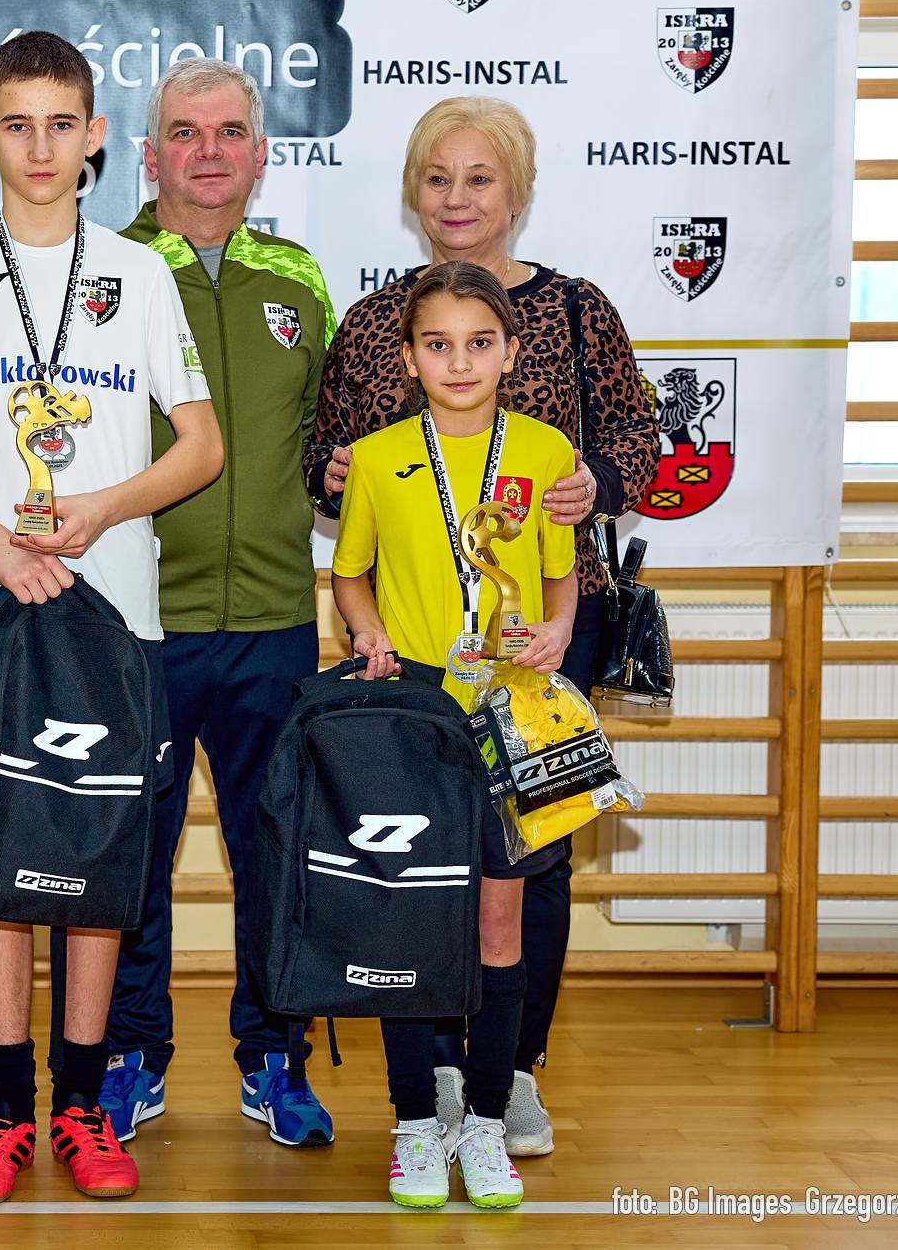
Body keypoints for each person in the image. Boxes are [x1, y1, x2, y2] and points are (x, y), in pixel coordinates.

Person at [0, 31, 223, 1205]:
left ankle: (79, 1105)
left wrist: (100, 508)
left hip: (113, 618)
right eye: (15, 126)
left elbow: (201, 447)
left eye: (59, 125)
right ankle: (2, 1110)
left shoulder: (140, 274)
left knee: (94, 864)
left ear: (94, 138)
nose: (37, 148)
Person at [306, 95, 659, 1155]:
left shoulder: (575, 310)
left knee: (529, 861)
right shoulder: (374, 321)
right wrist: (334, 473)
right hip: (416, 640)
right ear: (411, 193)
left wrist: (595, 482)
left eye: (478, 178)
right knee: (425, 865)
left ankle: (514, 1073)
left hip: (545, 632)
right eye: (436, 177)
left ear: (518, 191)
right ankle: (437, 1078)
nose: (456, 199)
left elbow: (636, 437)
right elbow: (328, 464)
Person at [101, 58, 337, 1148]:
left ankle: (274, 1057)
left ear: (260, 154)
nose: (209, 151)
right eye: (186, 133)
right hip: (140, 620)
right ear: (150, 155)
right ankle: (129, 1055)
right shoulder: (103, 271)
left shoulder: (299, 279)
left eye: (230, 131)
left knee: (276, 849)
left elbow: (329, 445)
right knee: (129, 853)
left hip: (275, 620)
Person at [329, 260, 575, 1210]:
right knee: (408, 918)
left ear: (510, 351)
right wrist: (367, 630)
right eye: (438, 344)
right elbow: (351, 571)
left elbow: (560, 572)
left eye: (479, 342)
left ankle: (483, 1121)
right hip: (414, 711)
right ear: (408, 356)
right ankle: (412, 1126)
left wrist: (557, 630)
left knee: (499, 926)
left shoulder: (545, 450)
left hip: (509, 706)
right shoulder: (379, 456)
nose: (460, 361)